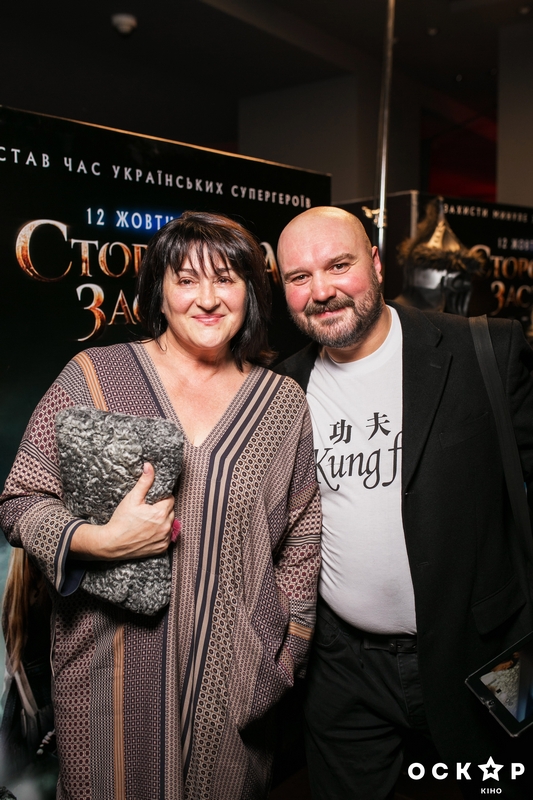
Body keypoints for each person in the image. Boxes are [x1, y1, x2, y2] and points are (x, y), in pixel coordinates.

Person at [0, 211, 321, 800]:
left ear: (251, 291)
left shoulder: (282, 404)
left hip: (234, 682)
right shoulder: (95, 377)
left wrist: (286, 652)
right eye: (186, 280)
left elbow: (302, 536)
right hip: (108, 674)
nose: (207, 299)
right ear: (159, 291)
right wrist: (98, 541)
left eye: (225, 279)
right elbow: (22, 497)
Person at [275, 206, 533, 799]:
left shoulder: (484, 350)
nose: (322, 291)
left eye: (338, 265)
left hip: (490, 655)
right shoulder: (282, 388)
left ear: (375, 263)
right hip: (344, 671)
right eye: (299, 277)